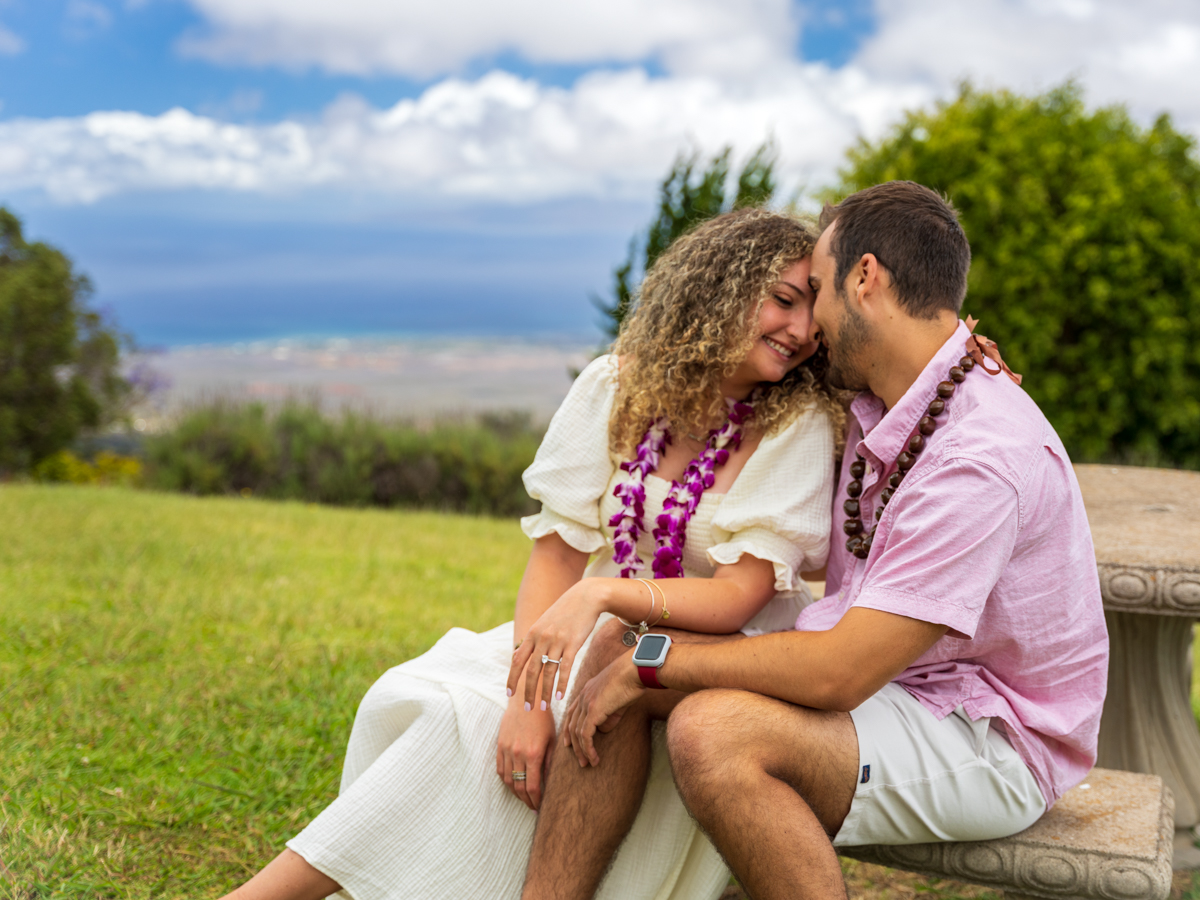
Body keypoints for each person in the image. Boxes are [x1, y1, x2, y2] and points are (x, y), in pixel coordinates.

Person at [221, 207, 845, 900]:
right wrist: (529, 697)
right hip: (590, 635)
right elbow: (557, 556)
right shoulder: (616, 386)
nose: (798, 332)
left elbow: (736, 598)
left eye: (812, 319)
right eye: (782, 301)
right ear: (720, 287)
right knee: (453, 710)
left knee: (589, 665)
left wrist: (600, 597)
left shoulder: (799, 423)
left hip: (720, 654)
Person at [544, 181, 1109, 900]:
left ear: (865, 278)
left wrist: (649, 667)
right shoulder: (885, 394)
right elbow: (731, 364)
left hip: (990, 735)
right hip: (895, 686)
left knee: (715, 732)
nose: (810, 325)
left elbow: (839, 673)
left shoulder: (981, 458)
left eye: (816, 289)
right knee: (614, 647)